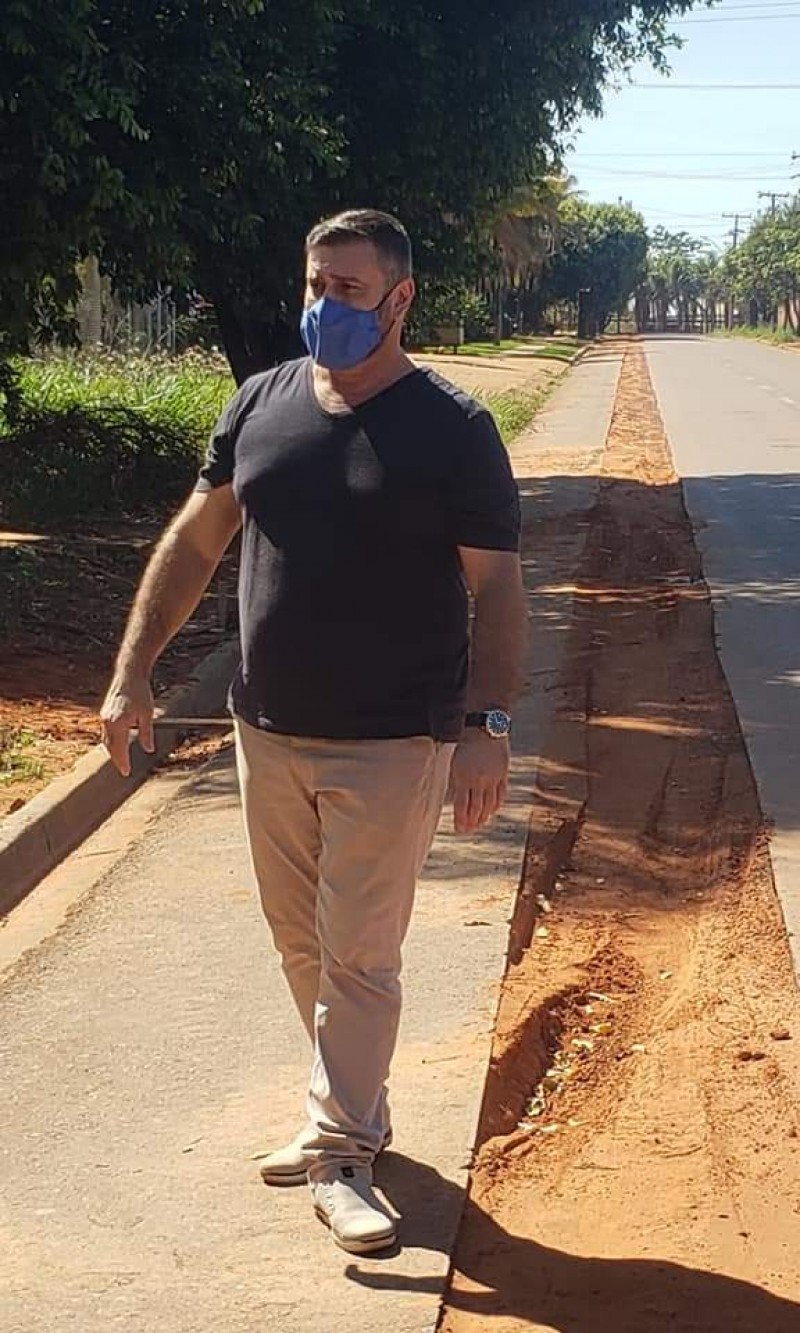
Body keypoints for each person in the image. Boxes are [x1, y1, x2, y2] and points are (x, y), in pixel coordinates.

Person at [100, 209, 527, 1255]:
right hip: (268, 729)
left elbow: (500, 591)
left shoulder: (452, 429)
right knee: (302, 941)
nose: (324, 306)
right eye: (315, 284)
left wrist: (486, 726)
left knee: (361, 952)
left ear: (399, 298)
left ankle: (341, 1147)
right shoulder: (262, 403)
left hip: (393, 739)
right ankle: (354, 1112)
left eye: (347, 290)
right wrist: (132, 672)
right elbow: (196, 540)